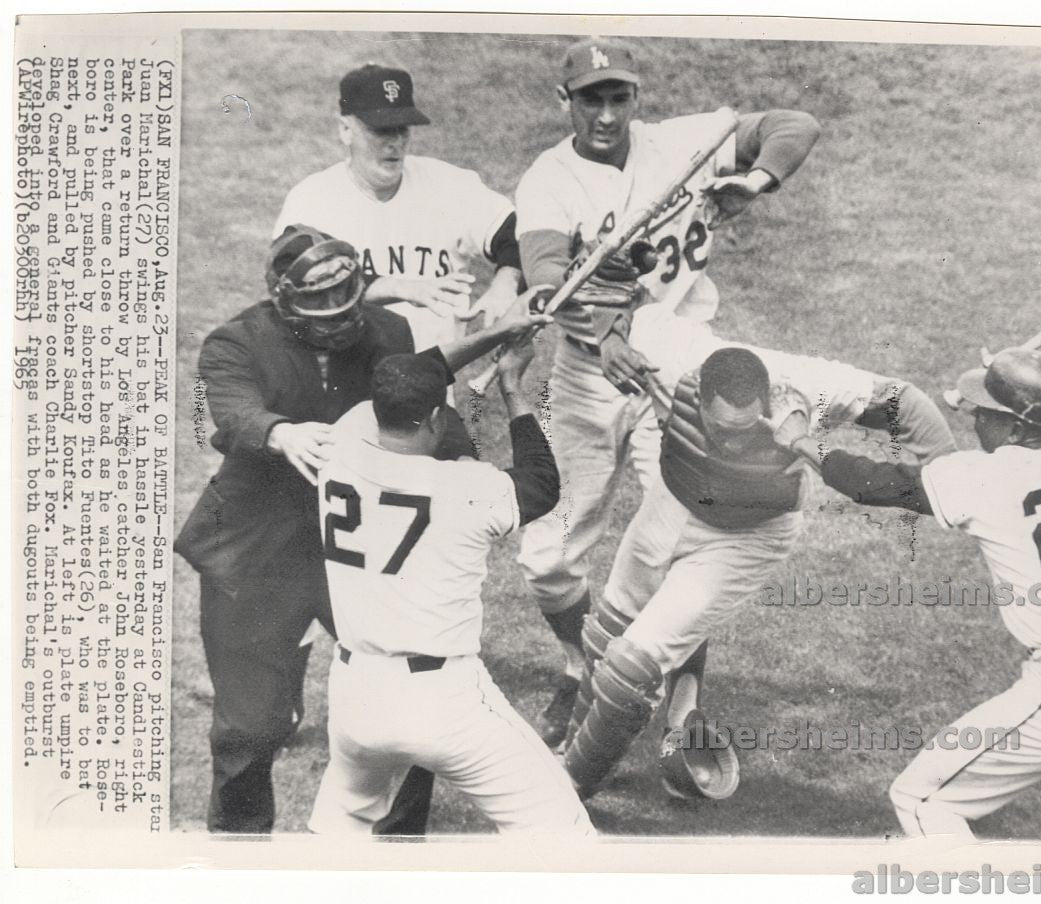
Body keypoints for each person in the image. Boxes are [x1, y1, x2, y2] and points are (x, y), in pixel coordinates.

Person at [175, 225, 547, 833]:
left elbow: (424, 402)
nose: (337, 318)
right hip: (260, 555)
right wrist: (280, 432)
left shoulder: (389, 331)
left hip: (362, 555)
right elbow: (232, 411)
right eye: (318, 306)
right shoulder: (234, 342)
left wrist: (462, 470)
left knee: (417, 703)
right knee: (248, 727)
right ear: (281, 300)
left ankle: (393, 858)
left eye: (345, 300)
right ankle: (239, 866)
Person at [514, 36, 823, 744]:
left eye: (617, 97)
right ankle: (578, 669)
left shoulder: (684, 143)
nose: (604, 114)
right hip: (588, 377)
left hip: (681, 370)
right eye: (589, 98)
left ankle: (682, 708)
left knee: (688, 542)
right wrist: (606, 338)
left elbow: (794, 125)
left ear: (635, 98)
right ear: (565, 102)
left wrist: (755, 182)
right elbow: (544, 279)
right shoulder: (548, 181)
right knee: (548, 556)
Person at [560, 306, 957, 798]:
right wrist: (610, 338)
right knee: (606, 635)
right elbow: (616, 299)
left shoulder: (814, 387)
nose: (735, 439)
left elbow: (907, 402)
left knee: (630, 667)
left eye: (747, 427)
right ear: (700, 395)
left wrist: (954, 476)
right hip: (672, 502)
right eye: (723, 428)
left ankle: (568, 792)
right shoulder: (669, 351)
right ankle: (567, 753)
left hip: (747, 536)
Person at [810, 347, 1041, 840]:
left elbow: (871, 483)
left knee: (922, 800)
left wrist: (804, 444)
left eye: (985, 413)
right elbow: (1035, 412)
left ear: (1015, 428)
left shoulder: (982, 477)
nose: (973, 421)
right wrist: (1014, 370)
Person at [308, 337, 595, 836]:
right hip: (443, 701)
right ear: (438, 421)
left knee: (339, 833)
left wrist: (491, 334)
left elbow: (422, 372)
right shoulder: (468, 488)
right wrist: (513, 387)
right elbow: (541, 483)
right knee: (565, 834)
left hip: (354, 694)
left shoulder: (339, 445)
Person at [274, 63, 523, 355]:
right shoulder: (312, 199)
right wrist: (400, 288)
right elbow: (295, 284)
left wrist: (506, 283)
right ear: (345, 129)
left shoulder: (450, 186)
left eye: (402, 128)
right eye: (380, 129)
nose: (394, 142)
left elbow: (520, 231)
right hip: (341, 389)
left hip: (430, 385)